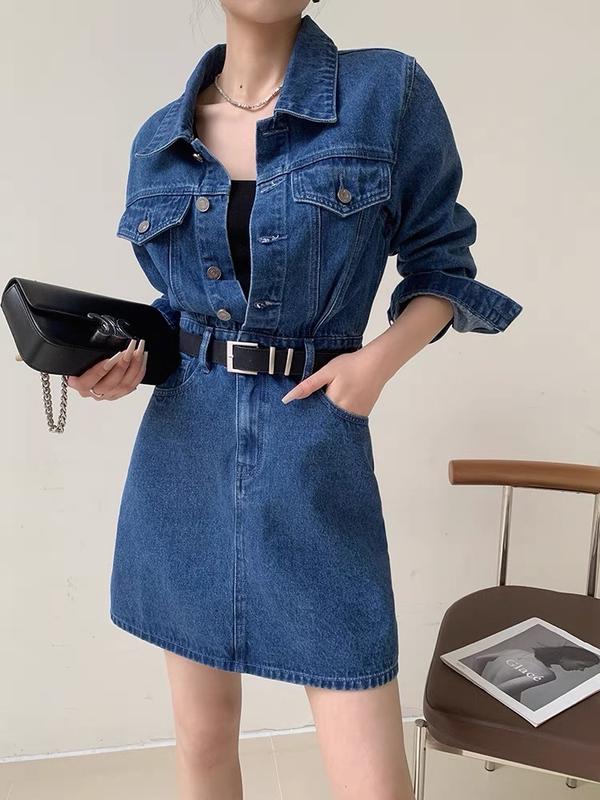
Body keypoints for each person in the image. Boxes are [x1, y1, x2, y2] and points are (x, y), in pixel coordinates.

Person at [67, 3, 523, 798]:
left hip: (314, 449)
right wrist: (118, 365)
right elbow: (183, 314)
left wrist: (376, 363)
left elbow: (443, 266)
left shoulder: (386, 92)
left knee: (371, 777)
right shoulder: (159, 140)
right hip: (184, 456)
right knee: (202, 742)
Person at [470, 644, 600, 702]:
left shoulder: (515, 651)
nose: (581, 670)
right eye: (582, 666)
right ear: (568, 657)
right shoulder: (546, 674)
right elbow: (500, 691)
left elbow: (479, 659)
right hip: (494, 708)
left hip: (479, 698)